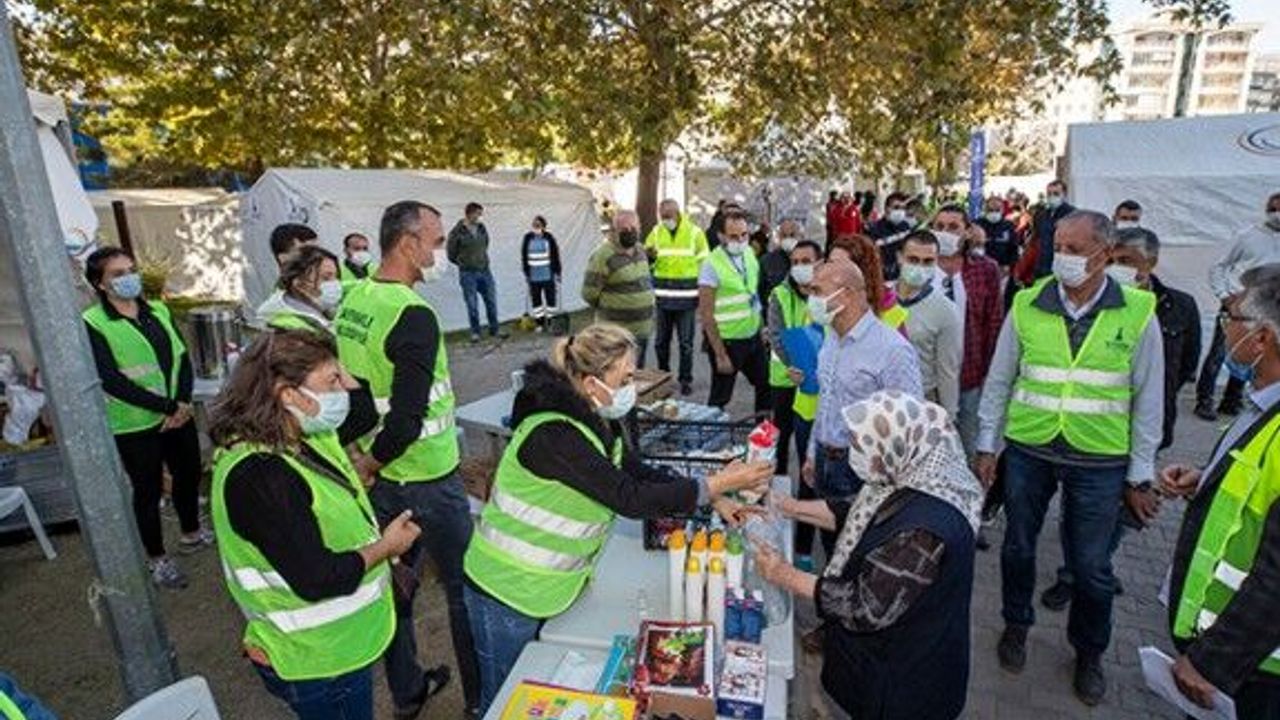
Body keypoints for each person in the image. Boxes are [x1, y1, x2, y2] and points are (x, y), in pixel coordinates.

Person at [462, 324, 772, 713]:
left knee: (536, 696)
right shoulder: (553, 435)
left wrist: (714, 497)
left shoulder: (591, 420)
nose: (632, 387)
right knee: (504, 700)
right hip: (504, 592)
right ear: (592, 382)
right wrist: (716, 482)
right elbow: (629, 497)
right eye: (625, 378)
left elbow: (638, 471)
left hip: (548, 588)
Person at [974, 210, 1164, 706]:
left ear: (1104, 254)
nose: (1064, 257)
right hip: (1030, 448)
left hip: (1099, 459)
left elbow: (1150, 400)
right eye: (1059, 245)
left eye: (1076, 249)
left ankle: (1090, 652)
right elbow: (1000, 379)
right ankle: (1016, 625)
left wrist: (1141, 473)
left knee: (1091, 566)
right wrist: (987, 445)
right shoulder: (1028, 301)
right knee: (1017, 547)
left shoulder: (1139, 311)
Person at [208, 329, 409, 720]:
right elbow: (317, 577)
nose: (345, 387)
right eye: (332, 380)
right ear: (288, 394)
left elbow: (363, 410)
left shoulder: (293, 435)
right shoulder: (260, 475)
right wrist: (386, 547)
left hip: (337, 645)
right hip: (316, 660)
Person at [335, 201, 480, 718]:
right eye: (436, 242)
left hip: (381, 482)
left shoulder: (356, 299)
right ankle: (481, 702)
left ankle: (407, 692)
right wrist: (371, 462)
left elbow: (355, 397)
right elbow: (408, 416)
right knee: (466, 592)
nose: (442, 252)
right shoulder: (412, 313)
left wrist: (361, 459)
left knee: (395, 588)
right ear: (407, 244)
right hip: (425, 479)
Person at [757, 391, 982, 720]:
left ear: (898, 444)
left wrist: (783, 574)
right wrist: (785, 506)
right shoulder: (907, 476)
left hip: (906, 681)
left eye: (864, 446)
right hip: (884, 662)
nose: (856, 454)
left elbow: (864, 606)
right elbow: (853, 513)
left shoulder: (925, 531)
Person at [1039, 226, 1201, 611]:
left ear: (1151, 264)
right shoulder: (1096, 303)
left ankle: (1096, 567)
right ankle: (1072, 573)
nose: (1118, 269)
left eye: (1128, 262)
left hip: (1146, 430)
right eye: (1114, 260)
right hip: (1095, 432)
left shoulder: (1178, 307)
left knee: (1126, 512)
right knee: (1081, 513)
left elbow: (1186, 365)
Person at [1159, 264, 1280, 719]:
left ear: (1262, 338)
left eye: (1230, 315)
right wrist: (1207, 480)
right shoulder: (1262, 401)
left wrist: (1215, 661)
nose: (1225, 326)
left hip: (1253, 668)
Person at [83, 247, 211, 591]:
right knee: (148, 490)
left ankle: (191, 533)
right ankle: (156, 558)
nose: (128, 278)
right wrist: (167, 407)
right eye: (117, 274)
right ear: (100, 283)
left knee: (188, 475)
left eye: (131, 269)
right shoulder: (94, 323)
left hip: (176, 414)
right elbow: (110, 378)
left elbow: (182, 357)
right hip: (135, 422)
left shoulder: (157, 311)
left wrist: (182, 402)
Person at [802, 258, 923, 556]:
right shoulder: (831, 338)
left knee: (859, 550)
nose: (811, 299)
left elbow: (909, 423)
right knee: (833, 546)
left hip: (862, 469)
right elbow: (826, 400)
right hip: (825, 460)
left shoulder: (891, 350)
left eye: (818, 291)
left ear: (847, 294)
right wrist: (811, 453)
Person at [765, 240, 823, 570]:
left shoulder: (826, 293)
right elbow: (775, 334)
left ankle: (803, 544)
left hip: (814, 391)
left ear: (820, 262)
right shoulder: (779, 294)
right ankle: (775, 514)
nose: (800, 265)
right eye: (796, 260)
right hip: (784, 381)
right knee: (779, 451)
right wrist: (795, 364)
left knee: (808, 464)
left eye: (807, 260)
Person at [1197, 191, 1280, 420]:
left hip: (1272, 308)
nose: (1277, 214)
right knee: (1220, 351)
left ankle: (1232, 401)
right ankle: (1204, 400)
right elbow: (1219, 266)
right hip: (1240, 306)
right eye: (1273, 209)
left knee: (1258, 351)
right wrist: (1225, 295)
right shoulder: (1248, 236)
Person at [931, 206, 1004, 458]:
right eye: (939, 227)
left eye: (953, 227)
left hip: (969, 376)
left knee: (967, 447)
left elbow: (993, 324)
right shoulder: (921, 270)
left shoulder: (986, 270)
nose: (945, 233)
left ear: (967, 232)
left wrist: (991, 373)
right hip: (928, 379)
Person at [699, 209, 771, 412]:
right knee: (721, 397)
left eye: (744, 235)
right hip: (727, 341)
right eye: (733, 236)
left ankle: (762, 434)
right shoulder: (711, 264)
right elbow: (706, 314)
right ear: (721, 236)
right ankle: (710, 438)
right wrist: (720, 354)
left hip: (753, 337)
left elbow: (752, 294)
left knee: (765, 384)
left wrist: (762, 327)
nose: (739, 240)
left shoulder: (749, 254)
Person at [646, 198, 710, 396]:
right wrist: (650, 257)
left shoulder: (694, 233)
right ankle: (663, 378)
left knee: (686, 343)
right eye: (662, 216)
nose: (665, 220)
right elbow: (646, 260)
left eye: (668, 216)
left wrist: (702, 291)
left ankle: (685, 380)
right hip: (663, 298)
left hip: (687, 299)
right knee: (660, 343)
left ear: (677, 213)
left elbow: (705, 261)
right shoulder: (656, 232)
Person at [896, 231, 962, 418]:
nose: (919, 267)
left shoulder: (946, 311)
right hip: (877, 401)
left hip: (920, 404)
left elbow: (947, 371)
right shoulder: (879, 298)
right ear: (900, 257)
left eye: (927, 262)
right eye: (913, 259)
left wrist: (949, 417)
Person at [582, 210, 655, 367]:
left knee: (636, 375)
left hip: (641, 330)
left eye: (633, 228)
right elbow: (589, 293)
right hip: (614, 334)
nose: (630, 232)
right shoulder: (602, 256)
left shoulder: (641, 251)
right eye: (624, 229)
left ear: (639, 228)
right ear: (614, 231)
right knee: (614, 379)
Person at [447, 201, 507, 343]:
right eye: (478, 214)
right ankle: (475, 332)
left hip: (484, 270)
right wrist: (464, 262)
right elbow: (451, 253)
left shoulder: (481, 228)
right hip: (468, 273)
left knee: (491, 301)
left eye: (480, 214)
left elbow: (486, 243)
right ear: (469, 213)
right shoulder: (457, 232)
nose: (480, 217)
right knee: (472, 304)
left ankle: (495, 329)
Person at [827, 234, 909, 335]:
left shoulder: (892, 314)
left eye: (842, 266)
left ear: (863, 271)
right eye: (830, 264)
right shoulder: (823, 306)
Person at [256, 245, 344, 333]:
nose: (335, 284)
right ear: (298, 283)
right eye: (325, 278)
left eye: (336, 277)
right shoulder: (291, 330)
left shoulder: (315, 315)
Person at [1013, 179, 1076, 286]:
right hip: (1041, 270)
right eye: (1049, 194)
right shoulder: (1041, 215)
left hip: (1062, 271)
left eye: (1056, 193)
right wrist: (1022, 269)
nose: (1052, 197)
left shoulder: (1073, 215)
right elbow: (1034, 243)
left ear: (1064, 195)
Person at [520, 215, 563, 332]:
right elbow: (524, 256)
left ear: (543, 226)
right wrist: (526, 272)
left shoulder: (549, 238)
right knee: (536, 302)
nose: (535, 226)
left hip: (548, 275)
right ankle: (540, 323)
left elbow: (555, 255)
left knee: (550, 301)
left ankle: (551, 322)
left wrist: (558, 272)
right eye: (534, 224)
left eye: (538, 224)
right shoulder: (527, 238)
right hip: (533, 276)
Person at [868, 191, 914, 280]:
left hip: (904, 277)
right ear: (886, 208)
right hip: (882, 278)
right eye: (896, 207)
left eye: (903, 208)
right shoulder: (874, 229)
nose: (900, 211)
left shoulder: (905, 226)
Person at [758, 219, 800, 306]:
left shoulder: (808, 260)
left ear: (799, 236)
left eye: (792, 235)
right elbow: (760, 291)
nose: (788, 239)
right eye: (784, 235)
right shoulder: (766, 261)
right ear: (779, 237)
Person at [975, 195, 1018, 271]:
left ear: (1002, 210)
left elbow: (1014, 248)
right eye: (990, 210)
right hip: (980, 268)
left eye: (997, 210)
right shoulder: (977, 224)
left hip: (1003, 269)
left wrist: (1009, 265)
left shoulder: (1009, 225)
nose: (994, 213)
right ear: (985, 210)